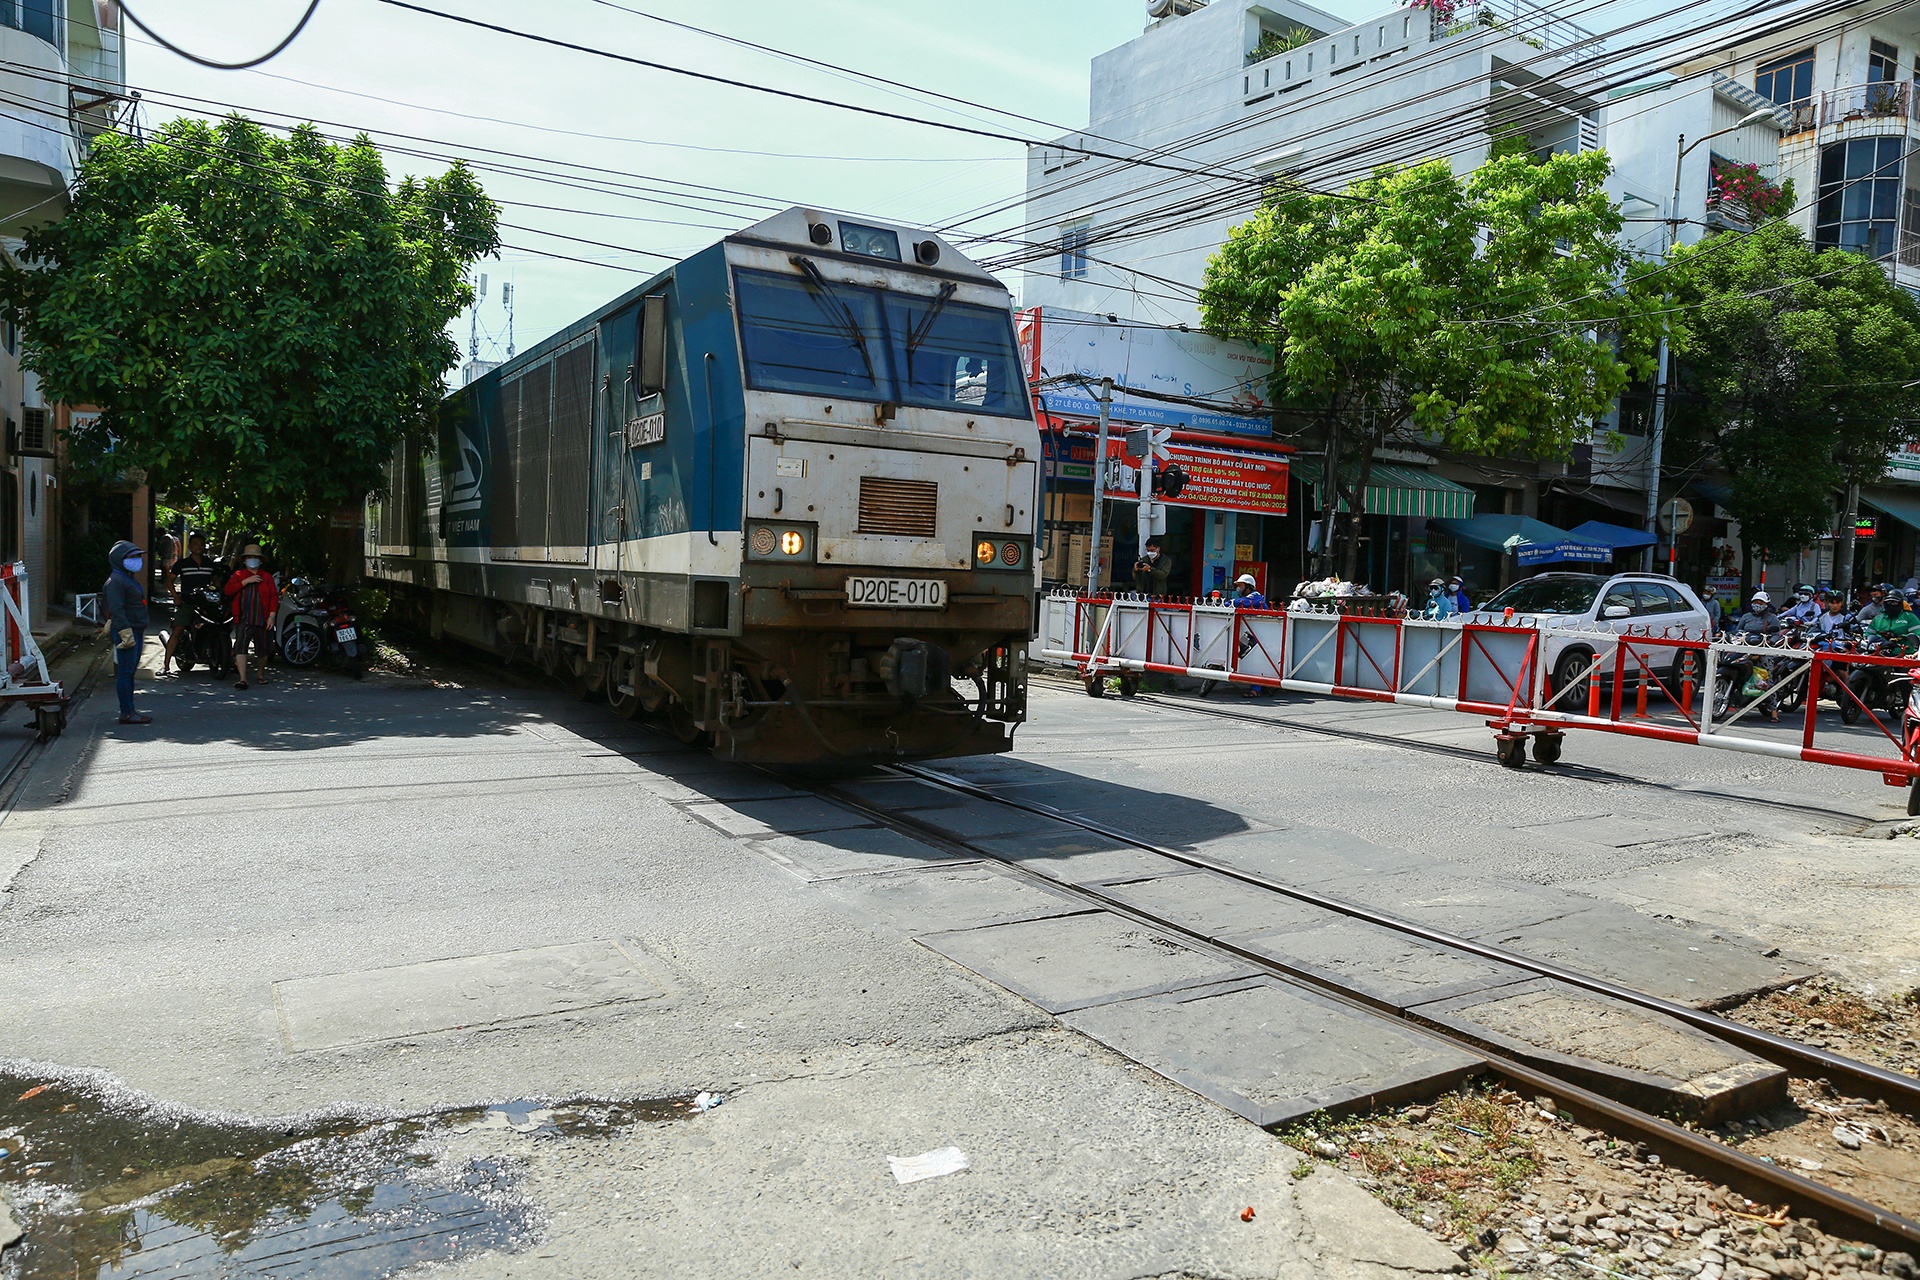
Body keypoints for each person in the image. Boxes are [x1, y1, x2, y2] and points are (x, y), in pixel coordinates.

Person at [101, 540, 151, 725]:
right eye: (132, 557)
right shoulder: (116, 581)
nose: (137, 560)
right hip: (127, 631)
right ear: (120, 559)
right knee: (125, 672)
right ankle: (127, 712)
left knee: (129, 672)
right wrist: (124, 632)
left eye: (138, 556)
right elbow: (116, 609)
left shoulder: (126, 577)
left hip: (134, 629)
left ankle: (129, 710)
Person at [162, 532, 219, 676]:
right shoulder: (182, 564)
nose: (198, 547)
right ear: (190, 546)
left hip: (206, 603)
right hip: (187, 602)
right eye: (195, 544)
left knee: (218, 626)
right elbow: (169, 580)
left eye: (201, 544)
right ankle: (166, 665)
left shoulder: (210, 564)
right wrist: (176, 596)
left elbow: (217, 581)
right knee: (178, 629)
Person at [225, 543, 279, 690]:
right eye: (249, 557)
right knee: (241, 648)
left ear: (260, 561)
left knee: (263, 650)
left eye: (255, 557)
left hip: (263, 619)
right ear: (244, 560)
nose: (252, 560)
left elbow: (274, 597)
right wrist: (245, 582)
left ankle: (260, 675)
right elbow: (228, 590)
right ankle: (242, 679)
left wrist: (272, 616)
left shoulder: (266, 577)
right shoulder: (238, 575)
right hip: (244, 618)